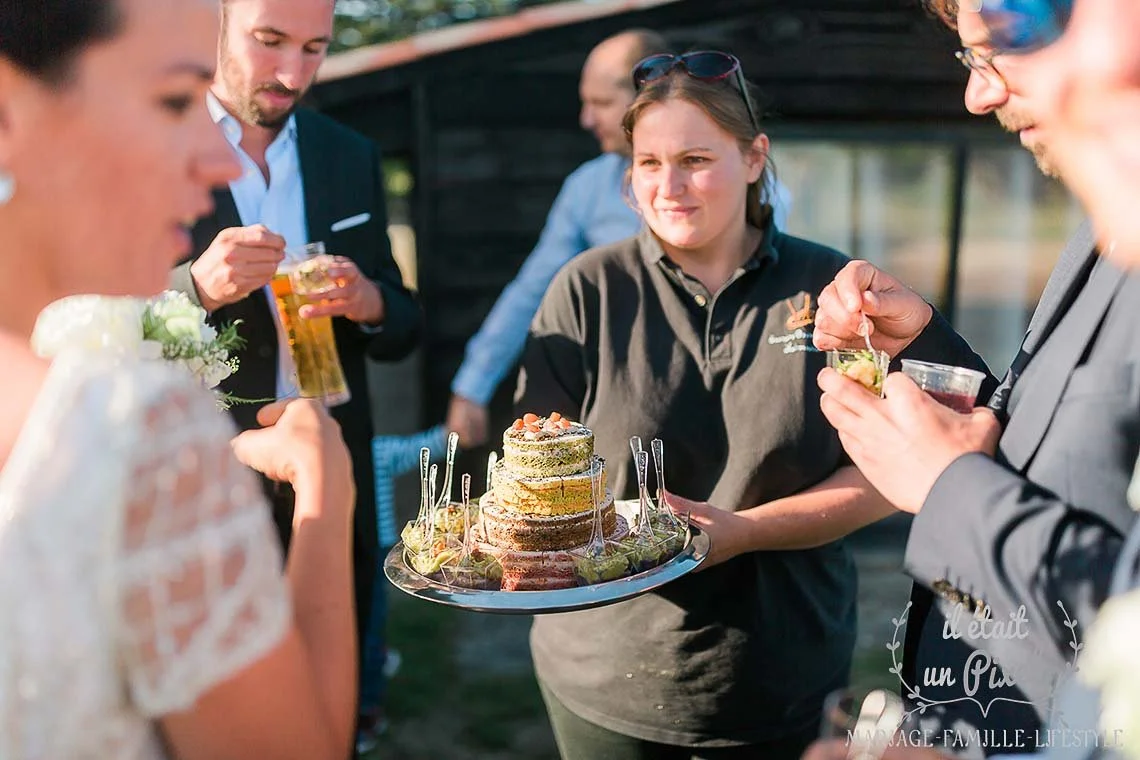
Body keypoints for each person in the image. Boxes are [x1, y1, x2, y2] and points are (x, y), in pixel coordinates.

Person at [514, 50, 984, 759]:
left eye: (696, 159)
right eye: (647, 163)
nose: (668, 187)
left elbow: (891, 468)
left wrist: (746, 529)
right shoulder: (585, 291)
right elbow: (531, 485)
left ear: (756, 157)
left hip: (783, 670)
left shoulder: (832, 291)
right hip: (604, 677)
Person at [0, 0, 359, 758]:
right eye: (172, 102)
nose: (225, 159)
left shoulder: (344, 153)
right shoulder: (122, 429)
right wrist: (324, 492)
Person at [812, 0, 1140, 756]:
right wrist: (925, 343)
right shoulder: (1102, 222)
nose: (979, 94)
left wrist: (946, 485)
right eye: (972, 60)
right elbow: (1052, 438)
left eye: (1010, 41)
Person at [168, 0, 423, 724]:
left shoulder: (349, 153)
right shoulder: (158, 141)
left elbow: (404, 325)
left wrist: (371, 298)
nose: (291, 73)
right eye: (269, 41)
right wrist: (195, 288)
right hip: (207, 472)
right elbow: (95, 318)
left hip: (331, 464)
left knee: (329, 695)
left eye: (314, 47)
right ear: (216, 21)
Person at [446, 29, 792, 448]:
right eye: (648, 165)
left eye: (600, 103)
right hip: (625, 398)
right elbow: (532, 288)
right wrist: (474, 382)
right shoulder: (587, 190)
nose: (586, 119)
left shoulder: (758, 199)